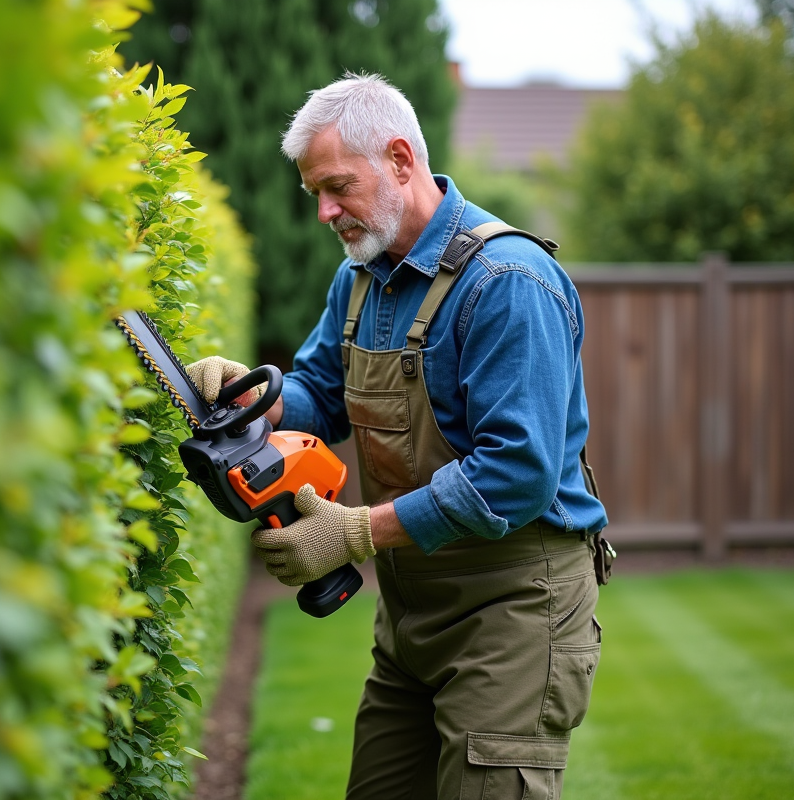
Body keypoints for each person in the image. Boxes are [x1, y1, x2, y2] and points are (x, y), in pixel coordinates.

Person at [186, 73, 608, 800]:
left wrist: (355, 533)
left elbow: (516, 473)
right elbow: (321, 395)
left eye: (337, 187)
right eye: (313, 192)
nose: (323, 211)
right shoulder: (359, 280)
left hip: (515, 606)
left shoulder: (508, 282)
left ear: (401, 160)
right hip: (412, 610)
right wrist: (249, 399)